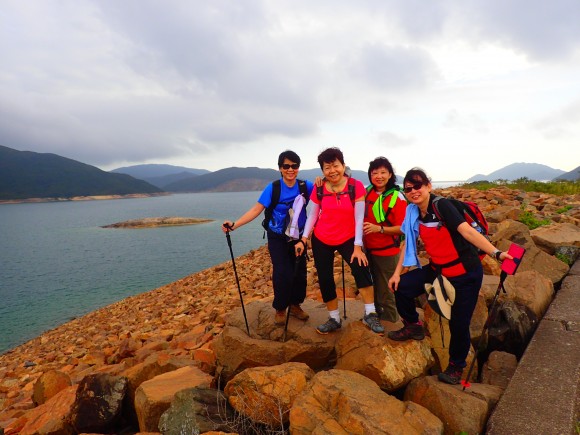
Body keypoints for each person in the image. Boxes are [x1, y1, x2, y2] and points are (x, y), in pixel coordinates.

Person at [387, 168, 512, 384]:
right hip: (438, 270)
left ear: (428, 185)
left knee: (459, 323)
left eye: (418, 185)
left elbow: (467, 232)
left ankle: (456, 367)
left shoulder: (442, 205)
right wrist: (397, 274)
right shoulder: (414, 212)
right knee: (401, 287)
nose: (413, 191)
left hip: (465, 274)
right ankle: (413, 326)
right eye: (408, 188)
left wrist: (497, 253)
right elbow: (408, 242)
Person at [295, 147, 384, 335]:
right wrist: (304, 239)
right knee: (326, 278)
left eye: (336, 165)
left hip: (349, 237)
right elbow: (313, 215)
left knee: (361, 270)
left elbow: (359, 218)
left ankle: (370, 313)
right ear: (322, 171)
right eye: (327, 168)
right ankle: (334, 318)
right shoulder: (319, 188)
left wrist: (358, 246)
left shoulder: (355, 186)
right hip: (322, 238)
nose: (332, 171)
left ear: (343, 165)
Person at [222, 150, 314, 325]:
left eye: (294, 166)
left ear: (298, 168)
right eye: (286, 166)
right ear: (280, 168)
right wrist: (235, 225)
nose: (290, 169)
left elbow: (325, 192)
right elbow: (256, 210)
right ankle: (280, 308)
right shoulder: (273, 188)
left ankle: (295, 305)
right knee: (282, 272)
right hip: (277, 237)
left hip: (298, 237)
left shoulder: (305, 186)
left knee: (299, 273)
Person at [363, 157, 406, 323]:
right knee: (370, 286)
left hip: (388, 251)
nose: (378, 176)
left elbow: (403, 228)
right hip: (367, 250)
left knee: (388, 290)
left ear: (390, 175)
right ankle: (374, 317)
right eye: (375, 173)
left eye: (383, 172)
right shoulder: (367, 192)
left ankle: (391, 323)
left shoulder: (397, 197)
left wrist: (378, 229)